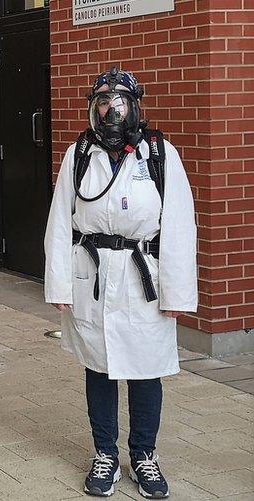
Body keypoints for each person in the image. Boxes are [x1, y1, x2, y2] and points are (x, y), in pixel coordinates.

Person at [44, 67, 197, 499]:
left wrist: (178, 293)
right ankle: (105, 455)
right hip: (91, 274)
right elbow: (59, 222)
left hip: (141, 275)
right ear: (94, 107)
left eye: (121, 102)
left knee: (147, 370)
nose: (112, 110)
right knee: (99, 366)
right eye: (104, 102)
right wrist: (58, 285)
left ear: (135, 107)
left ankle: (144, 455)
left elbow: (180, 225)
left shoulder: (159, 154)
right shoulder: (79, 154)